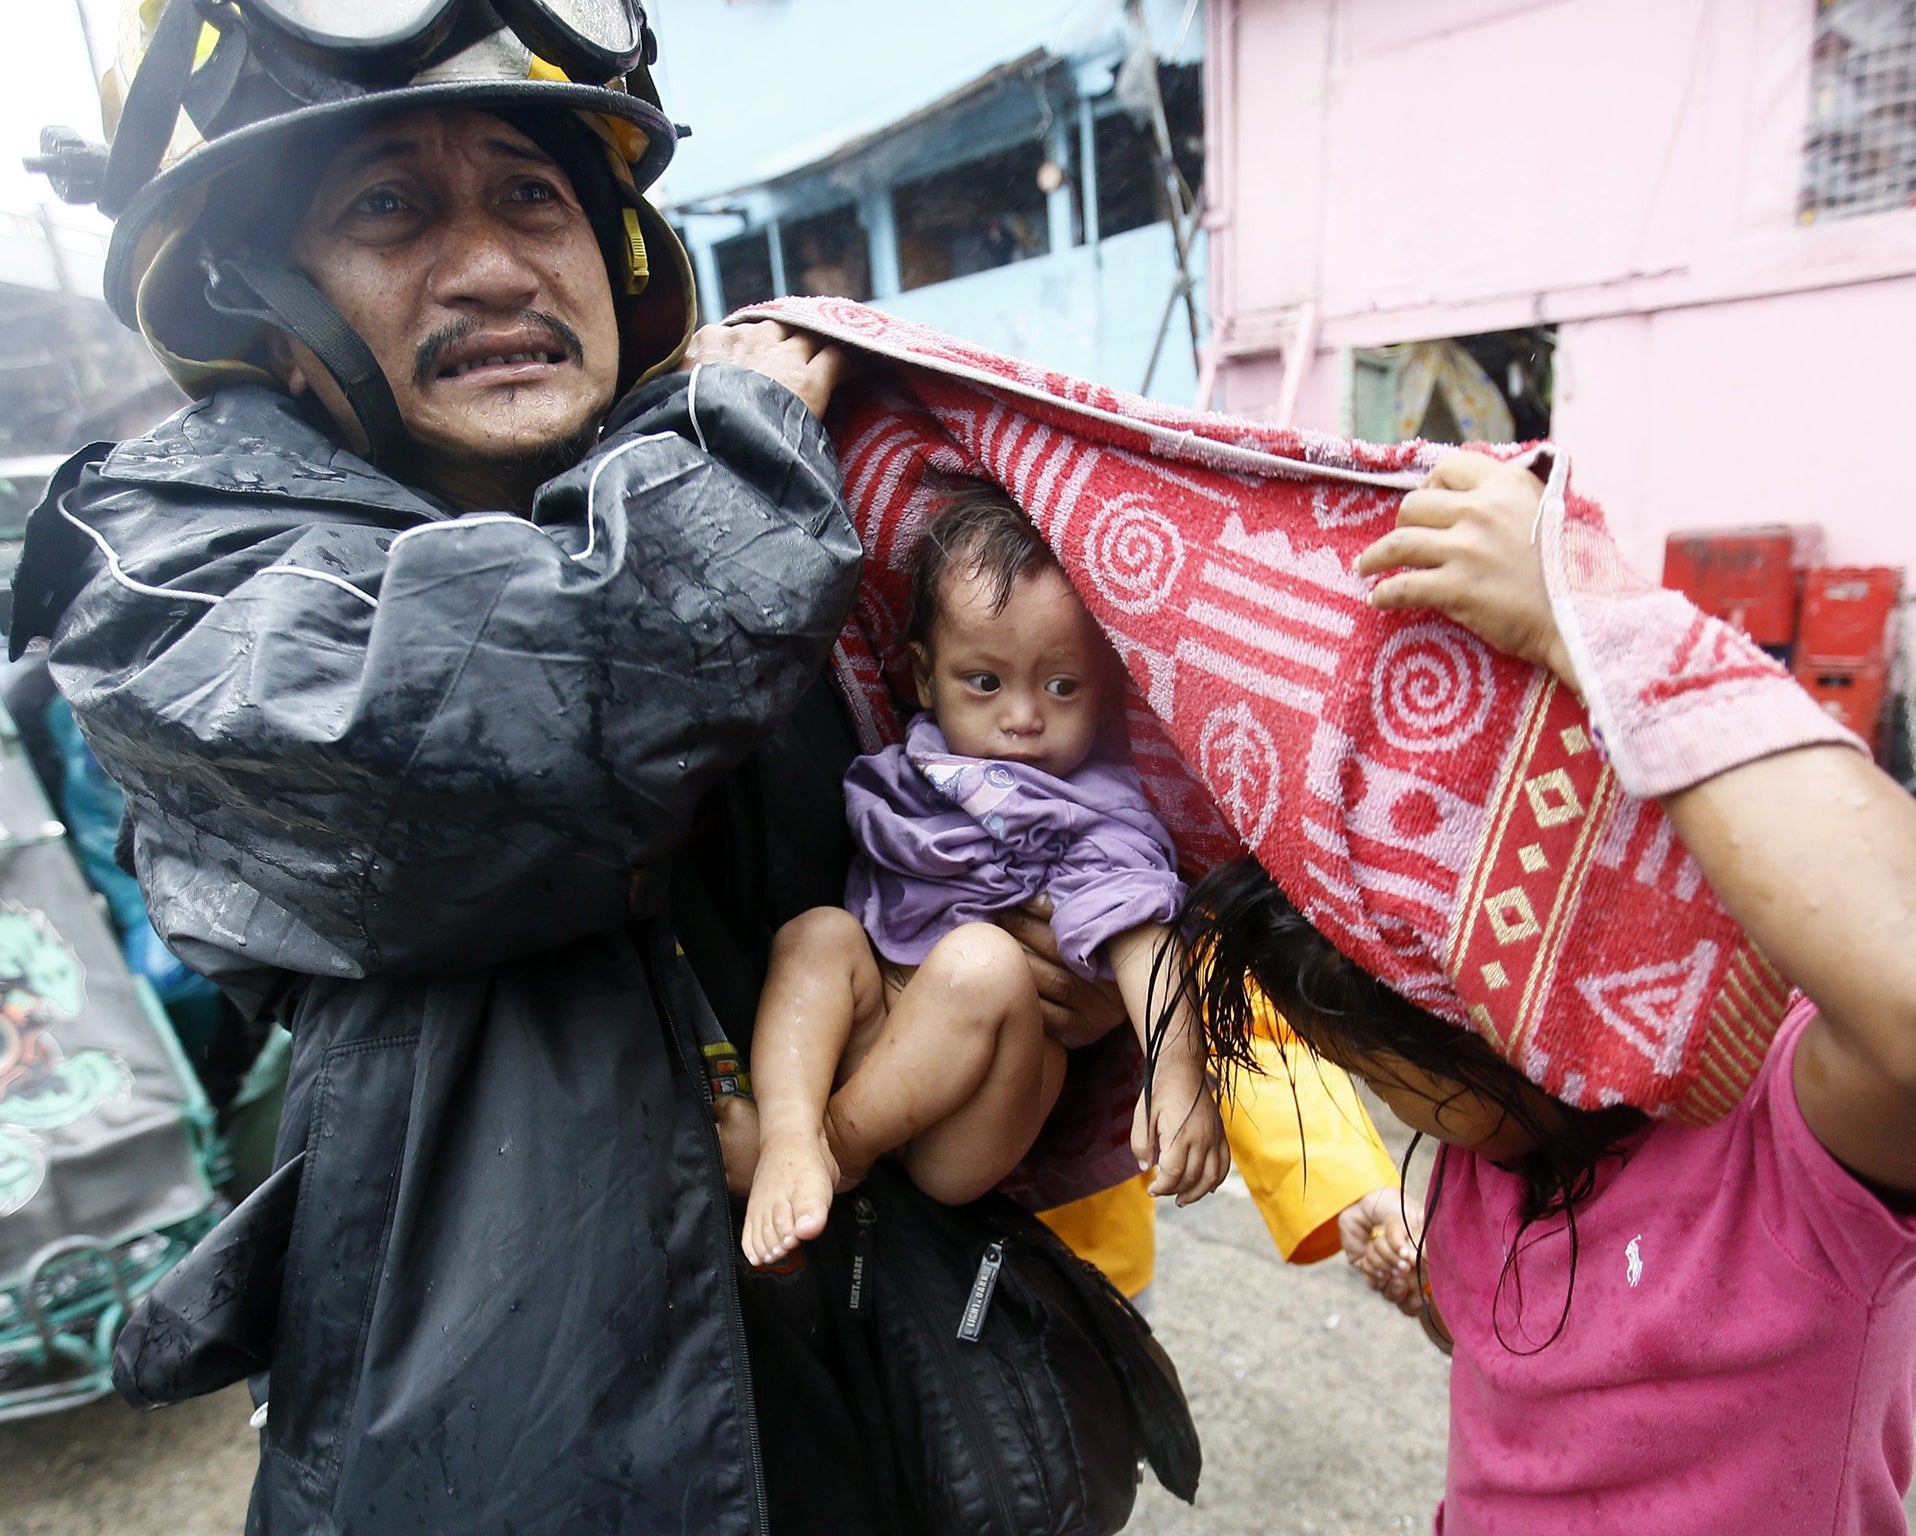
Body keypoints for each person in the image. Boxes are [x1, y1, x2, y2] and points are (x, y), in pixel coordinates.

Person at [9, 8, 1116, 1532]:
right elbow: (493, 761)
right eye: (387, 207)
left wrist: (1022, 939)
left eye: (535, 195)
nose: (491, 267)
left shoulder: (717, 495)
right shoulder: (167, 569)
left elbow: (874, 855)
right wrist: (745, 448)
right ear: (257, 297)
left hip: (859, 1411)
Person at [1179, 450, 1916, 1534]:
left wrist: (1584, 617)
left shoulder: (1794, 1151)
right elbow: (1546, 1366)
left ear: (1487, 1017)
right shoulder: (1485, 1163)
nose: (1393, 1114)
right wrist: (1435, 1295)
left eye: (1378, 1079)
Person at [738, 486, 1228, 1266]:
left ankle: (833, 1147)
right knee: (820, 935)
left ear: (1104, 690)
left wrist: (1179, 1079)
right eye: (986, 682)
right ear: (926, 678)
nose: (1024, 718)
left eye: (1061, 686)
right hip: (871, 1036)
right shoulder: (917, 756)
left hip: (969, 1115)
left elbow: (1146, 936)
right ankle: (788, 1137)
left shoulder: (1086, 808)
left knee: (982, 963)